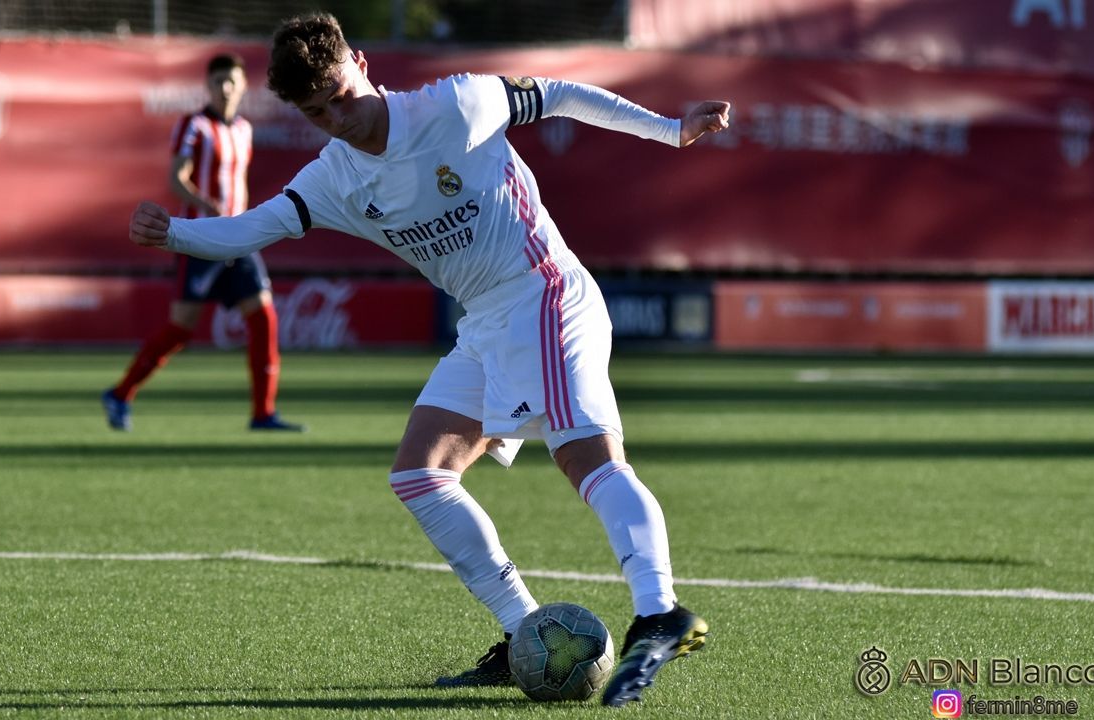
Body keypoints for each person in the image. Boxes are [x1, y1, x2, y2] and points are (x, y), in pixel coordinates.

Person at [128, 14, 730, 707]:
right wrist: (175, 234)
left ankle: (659, 611)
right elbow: (252, 227)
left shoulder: (455, 104)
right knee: (420, 474)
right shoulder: (335, 178)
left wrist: (669, 129)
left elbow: (561, 94)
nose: (338, 119)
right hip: (485, 323)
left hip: (544, 294)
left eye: (339, 95)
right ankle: (524, 632)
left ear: (360, 63)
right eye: (317, 113)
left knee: (586, 459)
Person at [103, 53, 303, 433]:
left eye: (232, 81)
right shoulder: (193, 125)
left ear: (243, 87)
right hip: (199, 239)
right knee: (181, 327)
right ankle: (120, 393)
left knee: (263, 318)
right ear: (208, 86)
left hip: (240, 239)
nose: (225, 88)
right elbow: (176, 178)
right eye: (218, 81)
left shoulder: (243, 129)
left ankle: (263, 413)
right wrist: (204, 203)